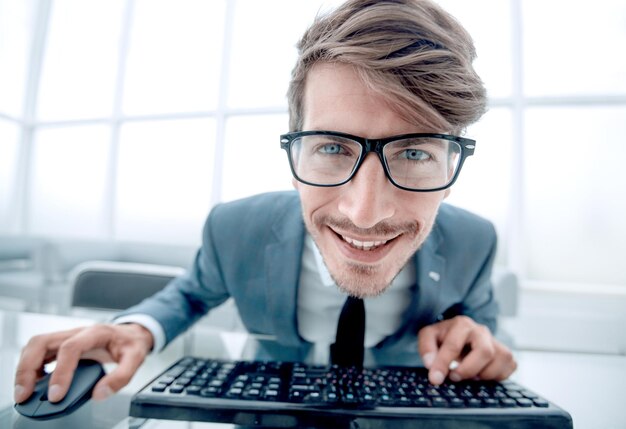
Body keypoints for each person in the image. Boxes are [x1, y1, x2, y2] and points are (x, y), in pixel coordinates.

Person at [14, 0, 516, 405]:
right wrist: (136, 331)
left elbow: (481, 324)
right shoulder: (235, 228)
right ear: (293, 152)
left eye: (413, 152)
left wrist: (481, 343)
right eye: (332, 147)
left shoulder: (475, 241)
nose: (365, 214)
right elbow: (188, 296)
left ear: (452, 171)